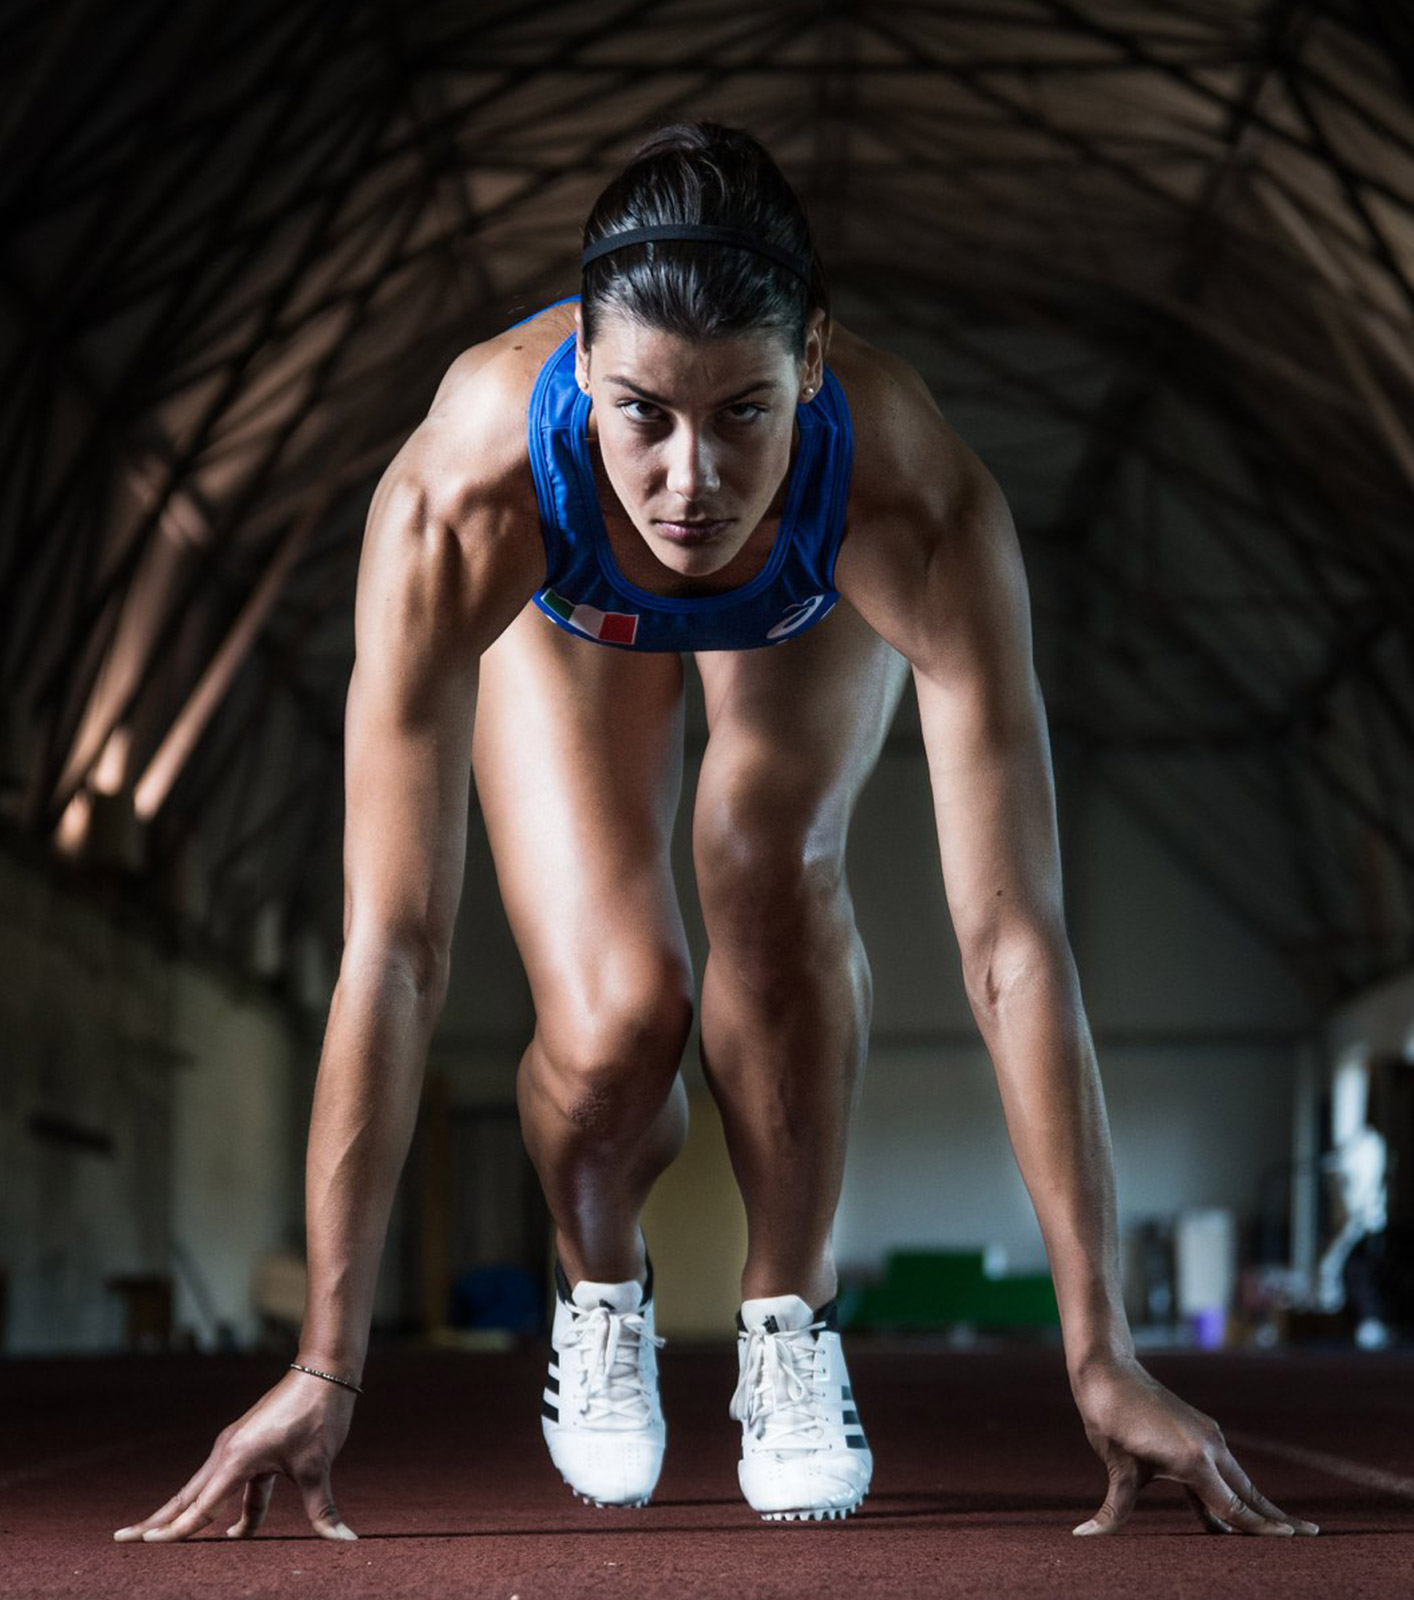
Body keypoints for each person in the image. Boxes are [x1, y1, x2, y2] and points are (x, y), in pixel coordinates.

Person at [113, 121, 1319, 1542]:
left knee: (766, 851)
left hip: (799, 600)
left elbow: (1011, 947)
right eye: (643, 413)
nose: (690, 478)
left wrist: (1100, 1347)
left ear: (812, 361)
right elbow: (391, 948)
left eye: (742, 412)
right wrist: (325, 1358)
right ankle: (602, 1285)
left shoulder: (909, 495)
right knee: (625, 1011)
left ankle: (785, 1318)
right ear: (578, 366)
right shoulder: (464, 492)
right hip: (567, 612)